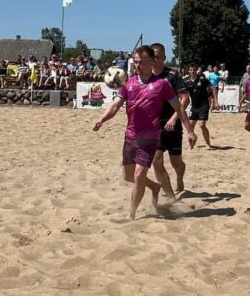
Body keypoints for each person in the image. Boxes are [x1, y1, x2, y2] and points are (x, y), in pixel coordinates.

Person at [92, 45, 197, 220]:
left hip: (150, 138)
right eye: (135, 62)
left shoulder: (161, 84)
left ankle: (131, 215)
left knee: (139, 175)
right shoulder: (128, 83)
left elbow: (179, 107)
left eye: (141, 62)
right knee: (128, 176)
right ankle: (154, 186)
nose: (137, 66)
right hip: (131, 136)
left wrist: (190, 131)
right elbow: (116, 105)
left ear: (151, 62)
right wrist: (102, 119)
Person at [150, 43, 191, 198]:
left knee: (176, 163)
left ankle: (179, 178)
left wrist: (174, 118)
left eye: (157, 56)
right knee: (156, 160)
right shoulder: (146, 76)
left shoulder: (173, 76)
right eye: (152, 56)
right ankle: (171, 197)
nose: (154, 59)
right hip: (154, 127)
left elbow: (185, 98)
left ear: (164, 58)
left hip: (173, 124)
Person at [184, 64, 217, 148]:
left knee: (202, 125)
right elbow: (185, 97)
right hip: (194, 107)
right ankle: (191, 144)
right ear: (189, 71)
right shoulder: (187, 83)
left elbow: (213, 88)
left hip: (204, 106)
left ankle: (207, 143)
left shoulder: (203, 79)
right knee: (190, 127)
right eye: (191, 70)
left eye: (194, 70)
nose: (193, 71)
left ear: (197, 70)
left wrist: (216, 101)